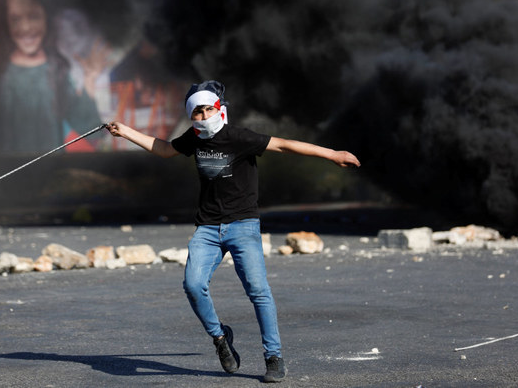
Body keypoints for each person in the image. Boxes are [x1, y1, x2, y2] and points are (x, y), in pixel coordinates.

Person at [106, 80, 361, 383]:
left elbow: (284, 145)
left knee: (259, 291)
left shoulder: (239, 137)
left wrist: (333, 154)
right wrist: (125, 131)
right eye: (196, 113)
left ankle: (274, 356)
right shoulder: (194, 138)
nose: (202, 116)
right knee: (192, 284)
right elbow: (164, 149)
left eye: (207, 110)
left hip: (243, 225)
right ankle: (220, 338)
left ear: (219, 108)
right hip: (208, 228)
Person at [0, 0, 105, 153]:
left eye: (33, 17)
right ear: (6, 22)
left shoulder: (56, 69)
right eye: (16, 19)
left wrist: (89, 80)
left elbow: (85, 128)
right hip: (6, 174)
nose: (25, 28)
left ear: (47, 17)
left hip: (51, 171)